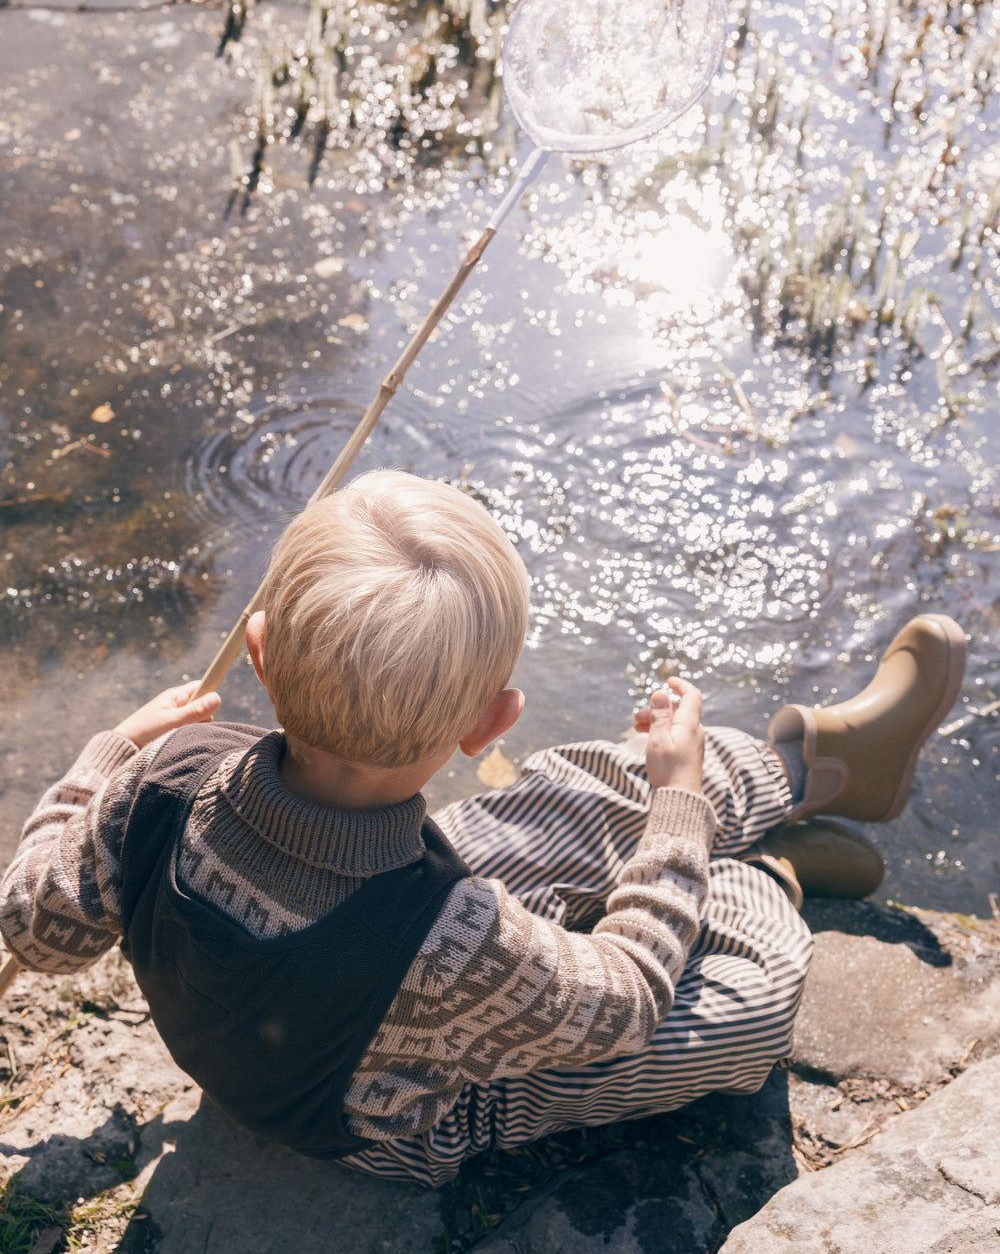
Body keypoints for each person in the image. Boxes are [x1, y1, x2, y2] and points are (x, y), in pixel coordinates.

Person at [0, 471, 967, 1187]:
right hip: (400, 1117)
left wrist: (104, 756)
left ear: (256, 653)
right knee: (744, 1009)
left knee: (565, 795)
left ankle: (819, 769)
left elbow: (35, 929)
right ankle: (763, 878)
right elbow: (627, 1001)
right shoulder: (462, 939)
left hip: (372, 958)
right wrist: (679, 809)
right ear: (488, 724)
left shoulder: (154, 786)